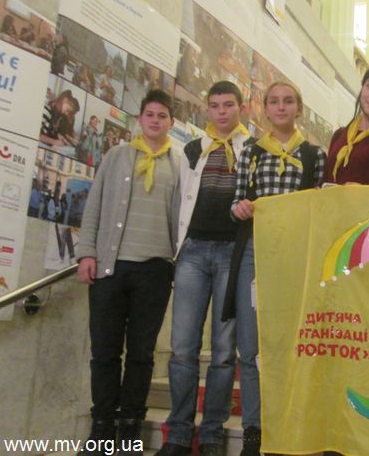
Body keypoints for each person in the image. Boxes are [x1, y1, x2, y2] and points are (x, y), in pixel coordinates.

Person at [76, 89, 179, 455]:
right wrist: (86, 252)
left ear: (171, 122)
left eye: (162, 115)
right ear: (140, 118)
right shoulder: (117, 156)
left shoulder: (179, 164)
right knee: (104, 351)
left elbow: (181, 219)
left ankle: (130, 430)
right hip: (110, 268)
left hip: (155, 270)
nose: (155, 120)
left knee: (141, 353)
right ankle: (102, 428)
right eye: (149, 114)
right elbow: (94, 207)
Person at [229, 81, 326, 456]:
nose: (281, 107)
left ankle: (288, 427)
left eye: (288, 101)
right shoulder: (251, 152)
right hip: (255, 251)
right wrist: (240, 208)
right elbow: (237, 200)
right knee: (250, 347)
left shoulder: (314, 155)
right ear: (265, 109)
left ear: (298, 108)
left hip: (297, 255)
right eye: (274, 101)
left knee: (291, 343)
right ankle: (254, 430)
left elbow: (322, 205)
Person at [157, 81, 253, 456]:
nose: (221, 112)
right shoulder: (193, 149)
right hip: (193, 252)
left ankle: (212, 432)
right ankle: (179, 433)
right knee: (182, 347)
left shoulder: (253, 149)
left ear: (241, 108)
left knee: (224, 350)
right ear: (207, 110)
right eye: (214, 106)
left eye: (228, 105)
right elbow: (180, 200)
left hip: (233, 253)